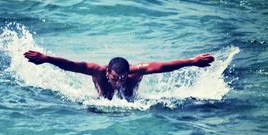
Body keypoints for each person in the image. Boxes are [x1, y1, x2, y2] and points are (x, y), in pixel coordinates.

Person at [24, 50, 214, 101]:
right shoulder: (97, 71)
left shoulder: (135, 72)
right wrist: (47, 59)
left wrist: (192, 61)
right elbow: (72, 66)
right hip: (101, 105)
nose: (119, 82)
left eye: (122, 78)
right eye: (115, 78)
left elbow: (163, 66)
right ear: (108, 72)